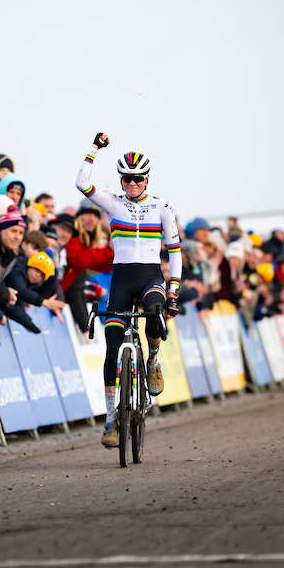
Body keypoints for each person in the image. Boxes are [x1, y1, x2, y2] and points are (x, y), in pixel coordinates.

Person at [75, 132, 182, 449]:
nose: (132, 184)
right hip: (120, 280)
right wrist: (94, 149)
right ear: (120, 180)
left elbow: (174, 251)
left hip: (150, 277)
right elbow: (82, 183)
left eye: (137, 179)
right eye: (126, 179)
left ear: (146, 178)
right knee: (110, 351)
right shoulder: (112, 202)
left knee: (155, 310)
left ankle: (152, 362)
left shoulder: (161, 207)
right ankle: (110, 421)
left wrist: (173, 289)